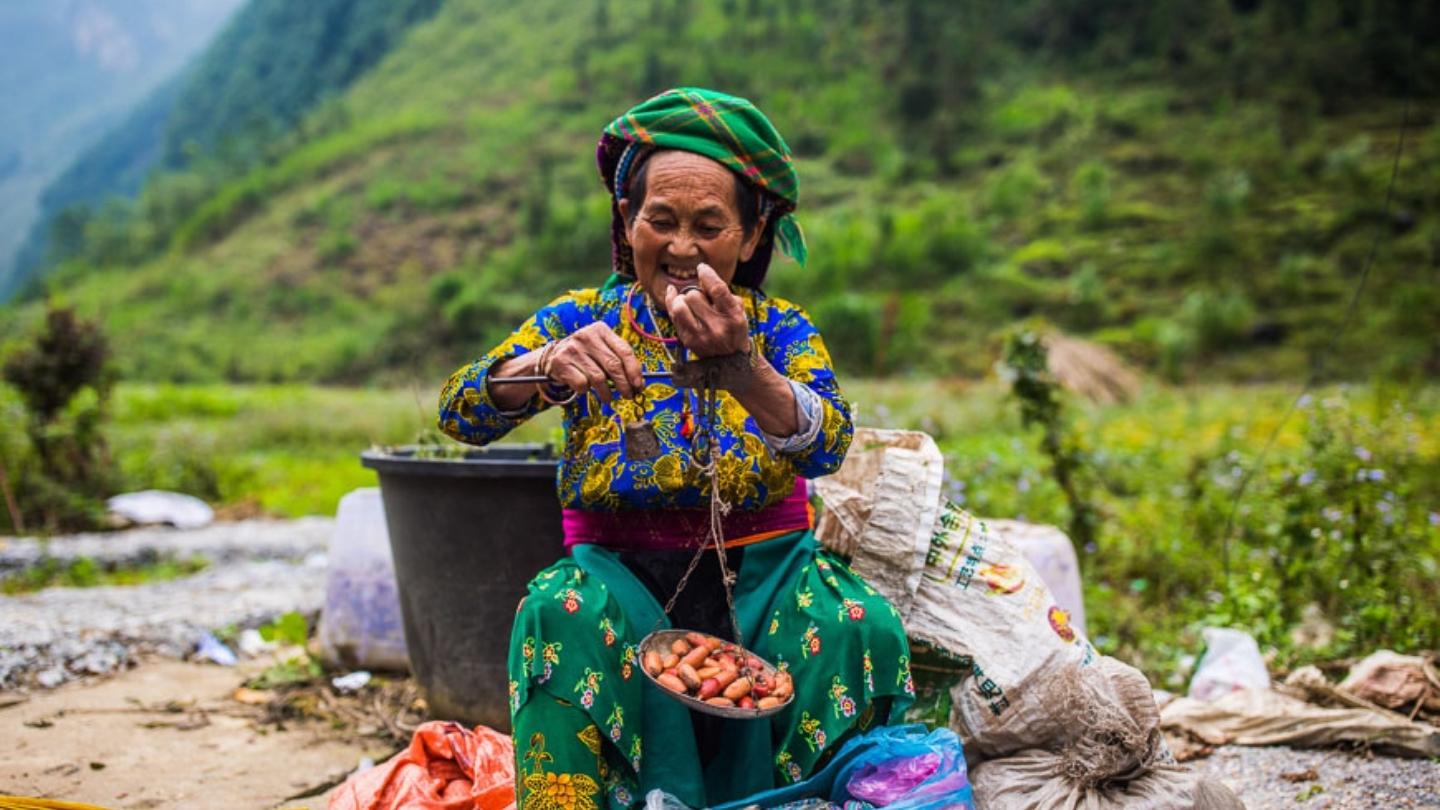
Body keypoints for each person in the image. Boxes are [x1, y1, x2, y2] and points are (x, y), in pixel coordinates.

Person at [438, 88, 913, 809]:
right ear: (628, 222)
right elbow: (460, 411)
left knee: (858, 625)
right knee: (556, 610)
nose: (683, 247)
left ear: (751, 239)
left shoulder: (779, 329)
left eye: (710, 226)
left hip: (767, 576)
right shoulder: (584, 317)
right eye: (660, 220)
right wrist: (545, 365)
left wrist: (744, 370)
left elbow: (830, 444)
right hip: (620, 580)